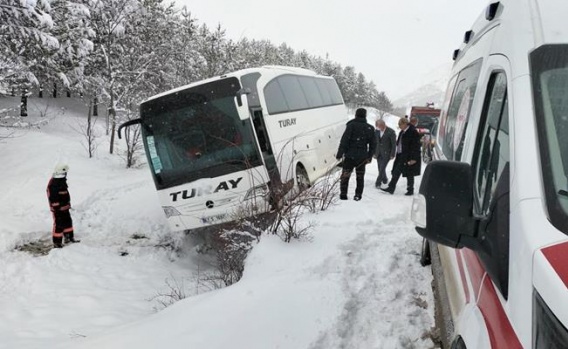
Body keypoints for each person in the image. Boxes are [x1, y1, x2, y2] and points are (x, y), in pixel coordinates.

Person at [336, 108, 376, 201]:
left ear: (356, 115)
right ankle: (358, 195)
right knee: (360, 177)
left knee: (345, 175)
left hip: (350, 155)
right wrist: (369, 156)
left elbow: (344, 141)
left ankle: (343, 194)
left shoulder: (351, 125)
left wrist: (339, 153)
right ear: (365, 116)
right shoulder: (369, 128)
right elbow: (373, 144)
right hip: (362, 157)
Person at [380, 117, 421, 195]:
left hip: (409, 156)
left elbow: (416, 146)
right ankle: (392, 188)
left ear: (405, 124)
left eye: (400, 124)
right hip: (401, 155)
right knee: (397, 172)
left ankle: (409, 190)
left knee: (408, 173)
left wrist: (414, 158)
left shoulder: (413, 132)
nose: (399, 126)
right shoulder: (402, 132)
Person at [47, 164, 77, 248]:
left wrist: (67, 203)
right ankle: (57, 243)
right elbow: (52, 196)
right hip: (58, 208)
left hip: (65, 207)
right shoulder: (53, 183)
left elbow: (64, 193)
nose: (66, 174)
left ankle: (69, 238)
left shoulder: (62, 180)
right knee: (59, 224)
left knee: (68, 222)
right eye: (65, 172)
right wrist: (56, 206)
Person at [374, 119, 396, 188]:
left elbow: (394, 144)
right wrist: (374, 152)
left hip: (387, 153)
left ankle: (378, 182)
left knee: (382, 168)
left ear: (383, 125)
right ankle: (385, 179)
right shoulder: (376, 131)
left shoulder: (391, 132)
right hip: (378, 153)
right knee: (380, 167)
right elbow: (375, 142)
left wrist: (392, 154)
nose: (377, 127)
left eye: (378, 126)